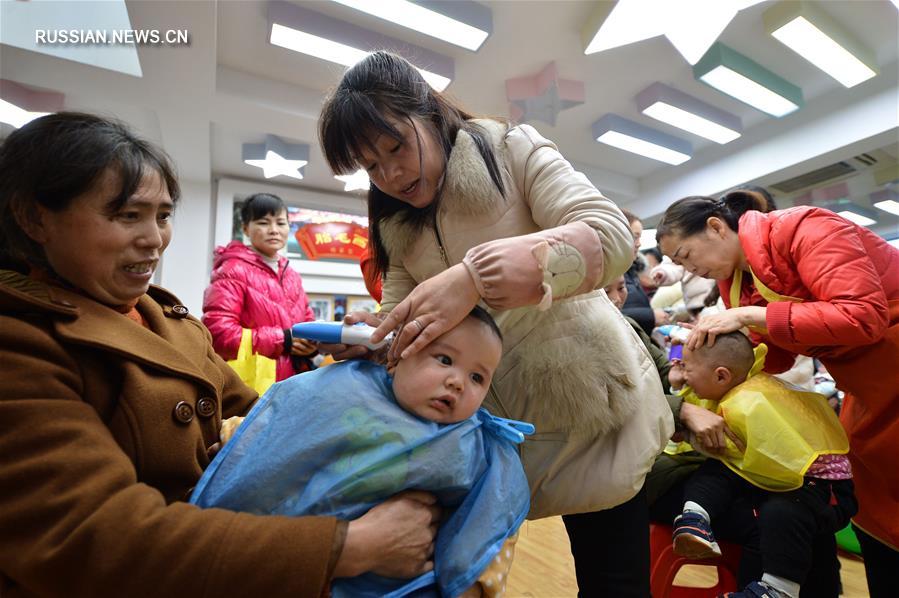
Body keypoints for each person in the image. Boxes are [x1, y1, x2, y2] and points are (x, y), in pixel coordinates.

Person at [0, 112, 441, 597]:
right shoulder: (20, 343)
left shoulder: (171, 322)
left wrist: (344, 371)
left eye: (163, 215)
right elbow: (90, 538)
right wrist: (346, 547)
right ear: (34, 218)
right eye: (127, 215)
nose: (153, 239)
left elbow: (260, 416)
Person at [318, 51, 673, 596]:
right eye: (370, 166)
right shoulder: (393, 220)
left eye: (396, 147)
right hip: (489, 428)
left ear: (429, 112)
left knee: (613, 578)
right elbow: (400, 320)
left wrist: (474, 278)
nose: (389, 174)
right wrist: (375, 337)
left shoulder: (510, 149)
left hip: (588, 407)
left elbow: (610, 234)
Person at [656, 191, 899, 597]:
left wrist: (752, 316)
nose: (689, 269)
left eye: (685, 254)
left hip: (887, 367)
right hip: (865, 390)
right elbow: (773, 357)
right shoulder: (733, 282)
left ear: (716, 227)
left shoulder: (807, 228)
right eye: (679, 264)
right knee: (874, 513)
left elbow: (863, 316)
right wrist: (693, 370)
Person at [196, 307, 529, 597]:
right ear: (396, 355)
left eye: (477, 377)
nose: (458, 382)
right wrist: (232, 438)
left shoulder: (477, 446)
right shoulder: (345, 387)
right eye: (444, 360)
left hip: (398, 585)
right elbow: (288, 421)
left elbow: (493, 514)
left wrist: (472, 584)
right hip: (299, 559)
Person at [670, 332, 855, 598]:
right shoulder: (734, 384)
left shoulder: (751, 401)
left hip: (821, 486)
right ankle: (694, 518)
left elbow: (726, 445)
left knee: (781, 514)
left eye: (686, 369)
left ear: (722, 376)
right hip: (775, 474)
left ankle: (778, 589)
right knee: (716, 472)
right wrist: (679, 387)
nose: (683, 375)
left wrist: (686, 430)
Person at [203, 193, 316, 382]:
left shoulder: (291, 275)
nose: (274, 230)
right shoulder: (232, 270)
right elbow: (218, 334)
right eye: (263, 223)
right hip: (250, 385)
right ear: (246, 229)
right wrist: (283, 339)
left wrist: (312, 345)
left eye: (280, 223)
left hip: (292, 382)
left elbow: (307, 322)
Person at [620, 208, 670, 335]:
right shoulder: (610, 274)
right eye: (635, 237)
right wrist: (650, 316)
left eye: (639, 237)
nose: (639, 244)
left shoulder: (630, 271)